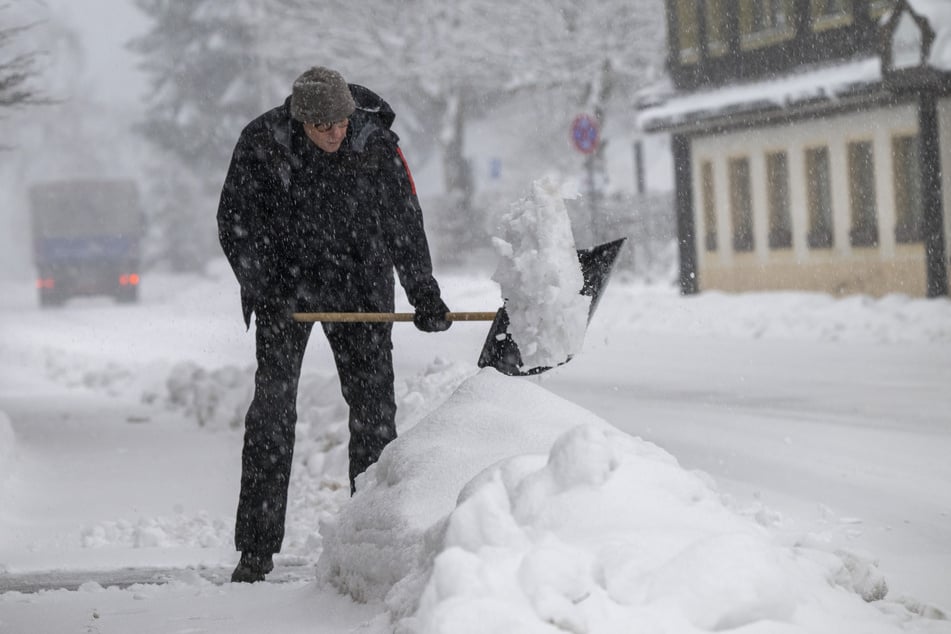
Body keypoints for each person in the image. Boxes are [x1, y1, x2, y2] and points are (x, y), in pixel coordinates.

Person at [217, 66, 452, 583]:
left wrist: (425, 293)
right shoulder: (261, 142)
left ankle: (366, 542)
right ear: (300, 120)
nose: (335, 132)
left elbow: (404, 220)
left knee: (373, 413)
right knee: (273, 412)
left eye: (341, 121)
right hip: (287, 289)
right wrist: (265, 285)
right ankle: (255, 551)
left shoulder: (375, 142)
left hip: (360, 283)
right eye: (323, 125)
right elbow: (235, 222)